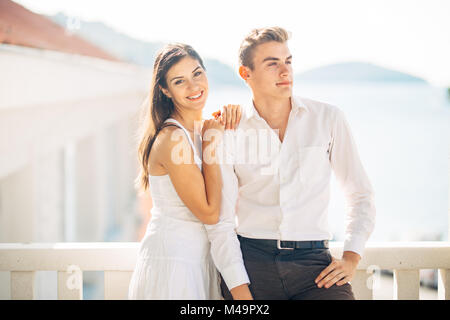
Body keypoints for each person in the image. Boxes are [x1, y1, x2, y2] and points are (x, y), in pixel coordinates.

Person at [206, 27, 376, 300]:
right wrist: (240, 291)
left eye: (288, 61)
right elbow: (222, 221)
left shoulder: (328, 118)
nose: (285, 72)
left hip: (315, 268)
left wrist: (352, 256)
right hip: (251, 264)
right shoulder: (230, 130)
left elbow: (360, 194)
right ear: (245, 74)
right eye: (272, 64)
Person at [127, 43, 242, 299]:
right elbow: (210, 213)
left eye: (197, 74)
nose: (193, 87)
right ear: (165, 90)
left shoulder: (201, 130)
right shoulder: (172, 138)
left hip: (200, 260)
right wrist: (212, 143)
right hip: (174, 265)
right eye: (180, 81)